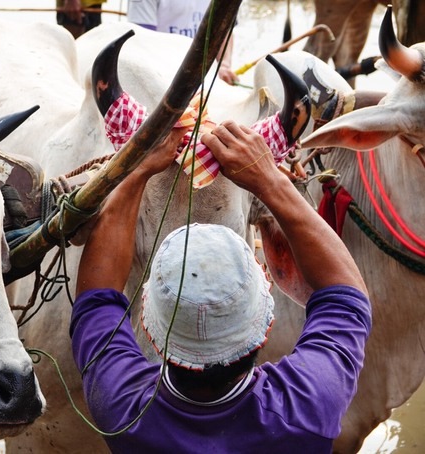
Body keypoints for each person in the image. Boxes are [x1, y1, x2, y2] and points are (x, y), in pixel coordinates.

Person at [71, 121, 371, 452]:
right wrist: (270, 180)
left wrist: (136, 170)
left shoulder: (121, 409)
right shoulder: (307, 407)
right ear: (265, 322)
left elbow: (96, 302)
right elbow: (348, 299)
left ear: (149, 327)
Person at [127, 0, 239, 85]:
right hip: (162, 73)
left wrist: (223, 65)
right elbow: (142, 41)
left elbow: (226, 29)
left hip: (206, 74)